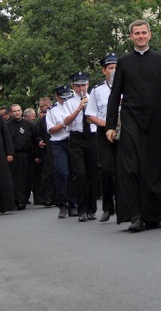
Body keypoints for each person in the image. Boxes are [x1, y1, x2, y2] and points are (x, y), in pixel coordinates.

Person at [105, 20, 161, 232]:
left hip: (156, 119)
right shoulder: (124, 62)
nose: (140, 36)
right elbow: (115, 95)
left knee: (155, 166)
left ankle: (153, 215)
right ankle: (135, 215)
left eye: (143, 33)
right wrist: (110, 125)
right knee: (130, 166)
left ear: (150, 35)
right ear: (131, 37)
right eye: (136, 33)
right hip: (130, 119)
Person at [85, 53, 119, 222]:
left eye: (116, 68)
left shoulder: (127, 87)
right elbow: (90, 114)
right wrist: (106, 124)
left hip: (124, 131)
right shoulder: (97, 91)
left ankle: (125, 204)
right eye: (110, 68)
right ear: (104, 70)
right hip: (104, 132)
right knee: (106, 169)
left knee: (125, 169)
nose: (113, 71)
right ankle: (107, 206)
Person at [63, 71, 99, 221]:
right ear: (73, 86)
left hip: (92, 136)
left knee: (92, 174)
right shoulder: (69, 102)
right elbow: (66, 122)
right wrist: (79, 108)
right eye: (77, 86)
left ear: (88, 84)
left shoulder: (95, 99)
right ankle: (81, 209)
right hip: (77, 138)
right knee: (80, 174)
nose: (81, 88)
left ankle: (92, 208)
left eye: (83, 85)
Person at [47, 85, 78, 219]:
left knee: (73, 173)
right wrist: (65, 123)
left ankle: (73, 204)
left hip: (73, 141)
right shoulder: (52, 110)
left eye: (67, 96)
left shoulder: (73, 106)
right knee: (62, 173)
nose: (65, 100)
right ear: (57, 97)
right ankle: (62, 204)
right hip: (59, 143)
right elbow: (51, 130)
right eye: (62, 97)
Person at [7, 103, 37, 210]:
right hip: (13, 155)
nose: (17, 113)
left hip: (26, 154)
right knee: (15, 178)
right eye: (14, 111)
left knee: (25, 178)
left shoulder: (28, 123)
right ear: (11, 113)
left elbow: (35, 139)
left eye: (19, 110)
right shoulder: (7, 125)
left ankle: (23, 200)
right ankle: (16, 199)